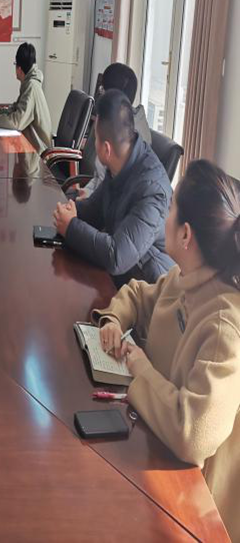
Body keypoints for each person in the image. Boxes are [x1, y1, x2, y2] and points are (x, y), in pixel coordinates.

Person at [92, 160, 240, 541]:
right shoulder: (188, 275)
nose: (165, 216)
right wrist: (114, 319)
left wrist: (140, 369)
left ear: (186, 234)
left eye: (171, 207)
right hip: (152, 447)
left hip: (193, 506)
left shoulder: (224, 327)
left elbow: (193, 434)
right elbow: (140, 296)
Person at [53, 89, 173, 286]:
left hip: (147, 287)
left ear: (106, 148)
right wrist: (69, 208)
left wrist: (71, 227)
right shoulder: (121, 164)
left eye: (95, 139)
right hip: (121, 278)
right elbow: (96, 209)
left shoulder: (153, 191)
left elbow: (117, 257)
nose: (93, 144)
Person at [81, 62, 151, 197]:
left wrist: (86, 200)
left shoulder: (129, 136)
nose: (100, 94)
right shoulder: (117, 121)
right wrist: (85, 193)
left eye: (103, 90)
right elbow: (99, 176)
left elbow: (114, 193)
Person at [0, 42, 52, 152]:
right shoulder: (29, 83)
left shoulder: (31, 86)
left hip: (37, 152)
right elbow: (17, 108)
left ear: (19, 68)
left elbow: (17, 122)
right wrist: (0, 112)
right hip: (29, 144)